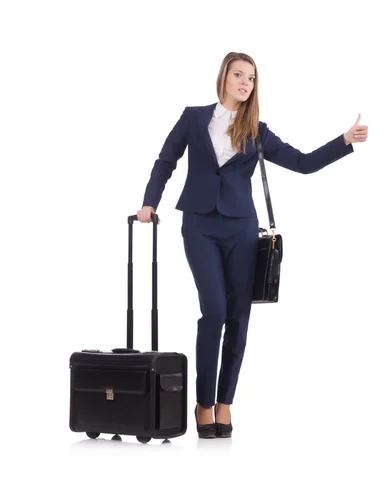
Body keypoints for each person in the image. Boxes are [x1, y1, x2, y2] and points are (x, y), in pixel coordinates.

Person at [136, 52, 368, 439]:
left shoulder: (257, 129)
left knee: (238, 317)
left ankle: (225, 403)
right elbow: (166, 160)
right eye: (239, 75)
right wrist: (149, 203)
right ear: (224, 77)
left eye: (252, 78)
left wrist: (343, 141)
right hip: (199, 224)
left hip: (242, 229)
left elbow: (303, 162)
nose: (246, 82)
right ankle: (203, 403)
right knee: (214, 312)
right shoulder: (194, 117)